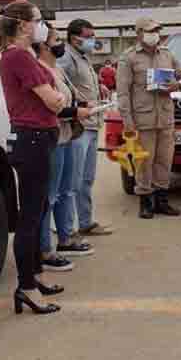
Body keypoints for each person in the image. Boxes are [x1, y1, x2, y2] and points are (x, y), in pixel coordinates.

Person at [0, 1, 66, 315]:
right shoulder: (18, 56)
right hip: (32, 140)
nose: (42, 26)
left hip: (37, 139)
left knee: (39, 208)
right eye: (38, 20)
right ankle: (26, 287)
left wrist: (58, 99)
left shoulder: (24, 55)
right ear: (23, 25)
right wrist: (58, 97)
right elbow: (53, 102)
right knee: (31, 216)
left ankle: (35, 276)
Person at [117, 17, 181, 219]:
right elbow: (123, 92)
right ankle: (145, 201)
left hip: (165, 118)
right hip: (143, 120)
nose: (155, 34)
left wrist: (178, 85)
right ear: (139, 33)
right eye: (150, 31)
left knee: (164, 161)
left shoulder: (167, 54)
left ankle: (162, 200)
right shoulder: (129, 58)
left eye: (157, 30)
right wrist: (128, 122)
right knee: (144, 162)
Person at [34, 27, 93, 272]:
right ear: (43, 45)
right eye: (57, 40)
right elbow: (53, 106)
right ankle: (45, 249)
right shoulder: (40, 70)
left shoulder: (57, 69)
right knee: (50, 195)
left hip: (67, 134)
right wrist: (76, 111)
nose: (61, 44)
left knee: (67, 190)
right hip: (54, 137)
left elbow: (68, 99)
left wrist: (81, 106)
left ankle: (65, 238)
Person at [59, 18, 113, 242]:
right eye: (88, 36)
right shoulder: (66, 57)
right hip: (79, 127)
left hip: (92, 124)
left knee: (86, 179)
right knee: (73, 181)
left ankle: (85, 222)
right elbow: (59, 86)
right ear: (74, 38)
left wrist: (99, 87)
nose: (93, 40)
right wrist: (77, 106)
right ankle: (67, 229)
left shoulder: (82, 57)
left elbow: (80, 85)